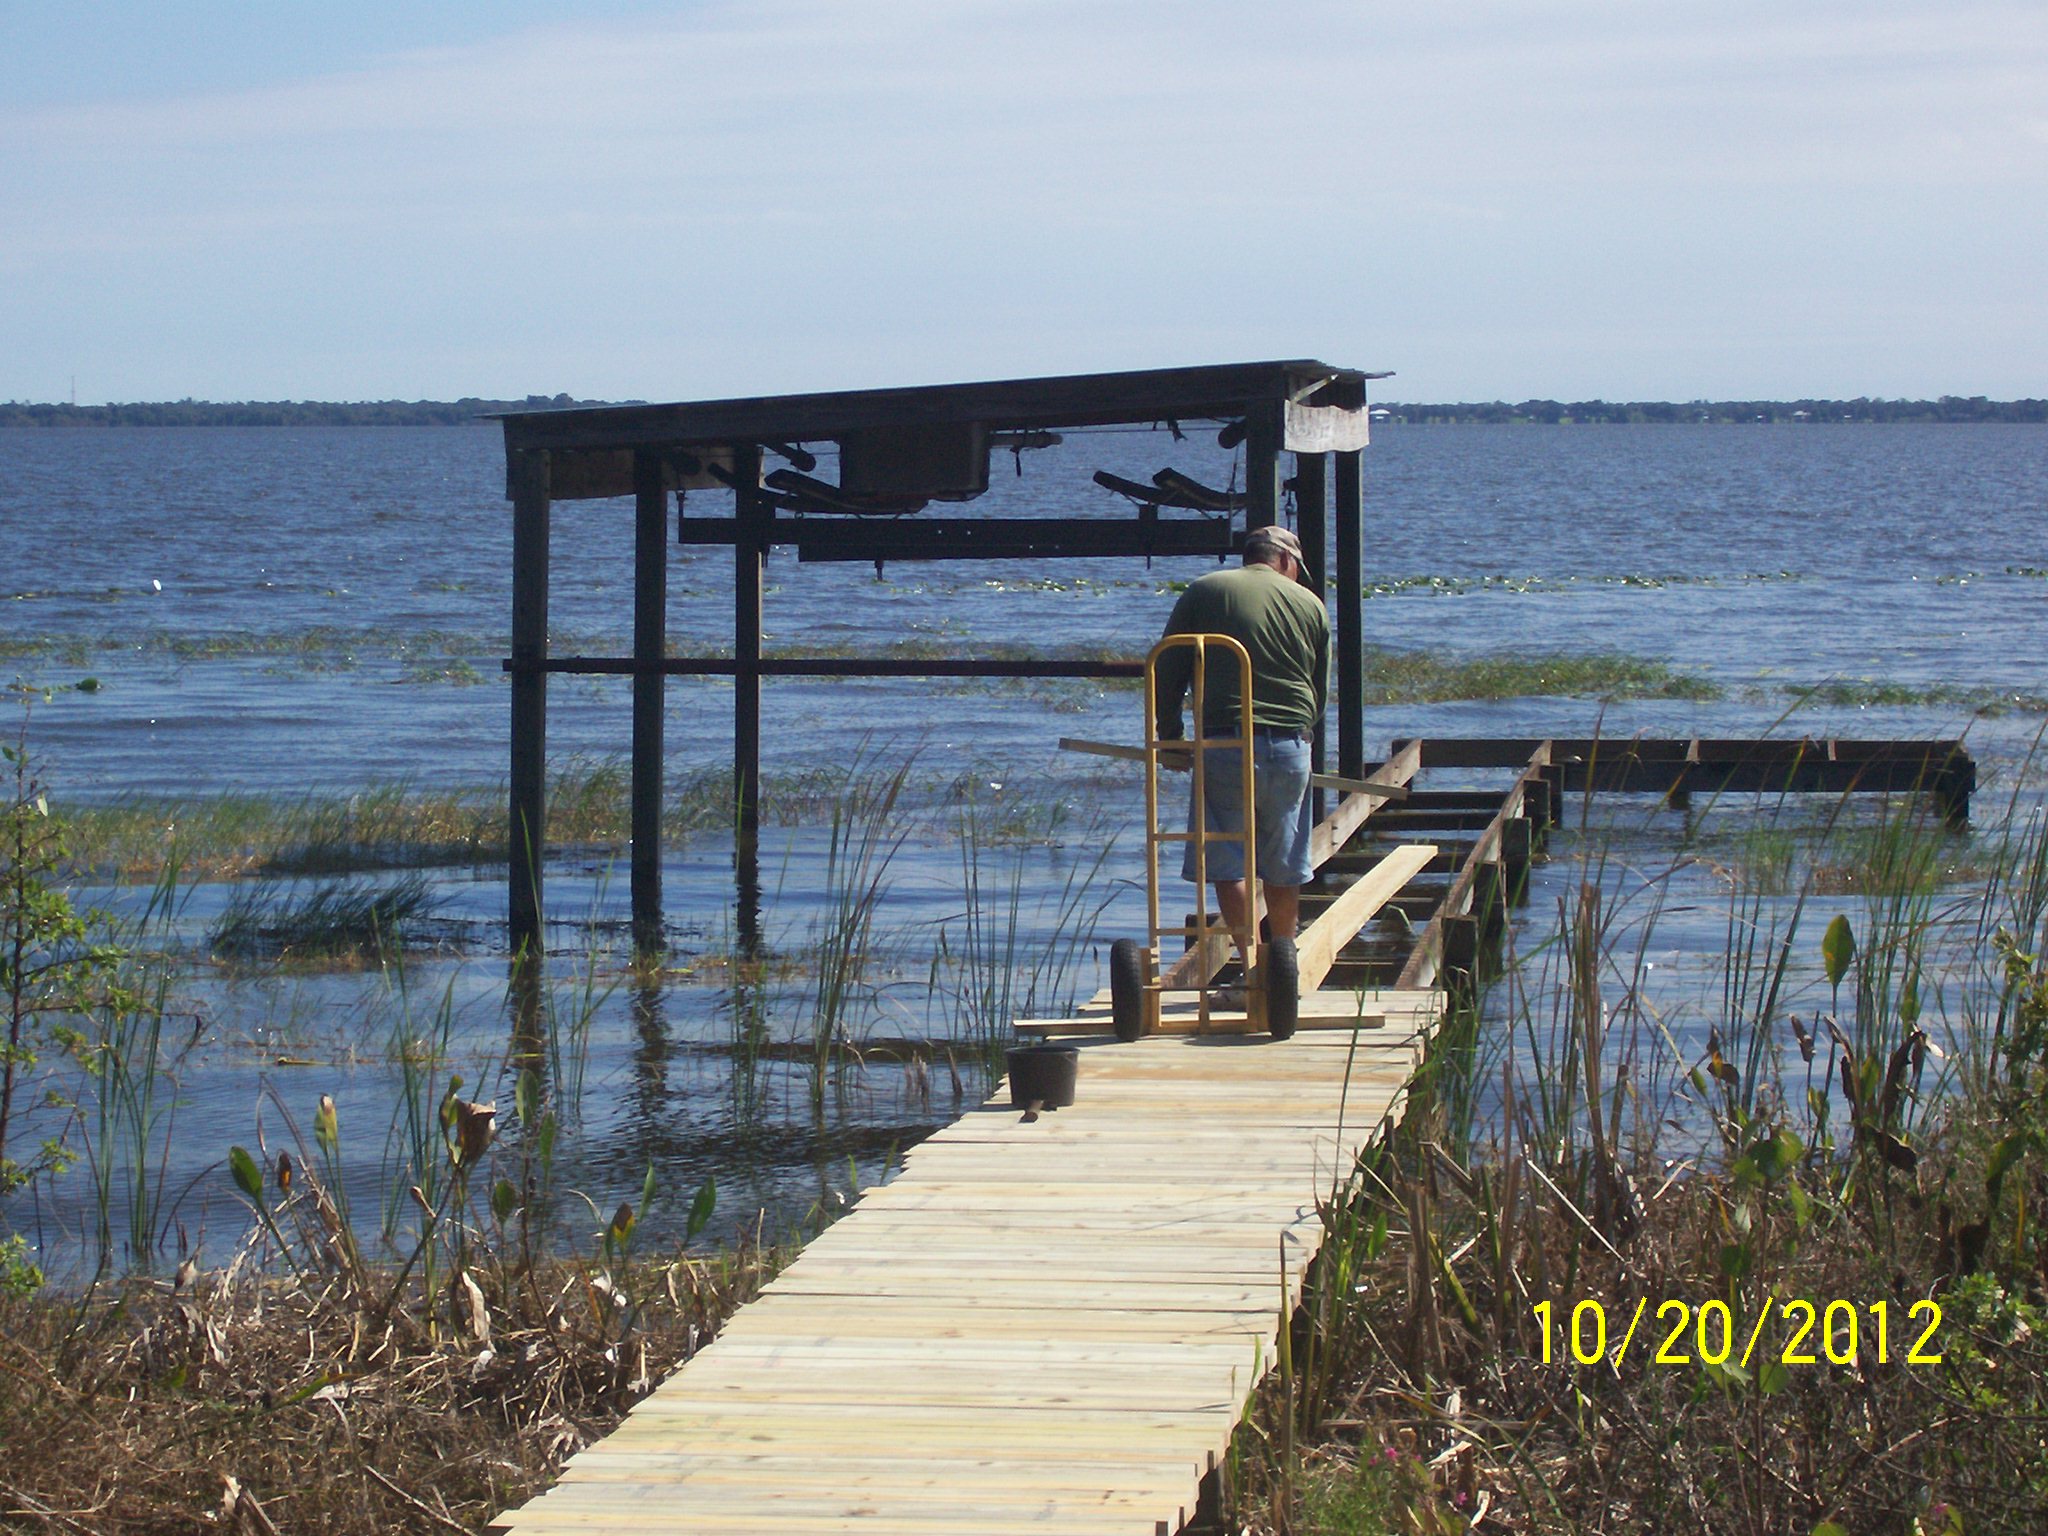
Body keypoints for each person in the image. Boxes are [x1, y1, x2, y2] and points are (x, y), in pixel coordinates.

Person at [1153, 523, 1330, 975]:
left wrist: (1170, 736)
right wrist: (1302, 734)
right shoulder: (1311, 604)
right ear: (1286, 561)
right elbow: (1319, 688)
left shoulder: (1205, 589)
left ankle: (1252, 965)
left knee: (1227, 855)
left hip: (1225, 740)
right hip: (1291, 743)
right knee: (1285, 858)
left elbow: (1168, 666)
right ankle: (1282, 962)